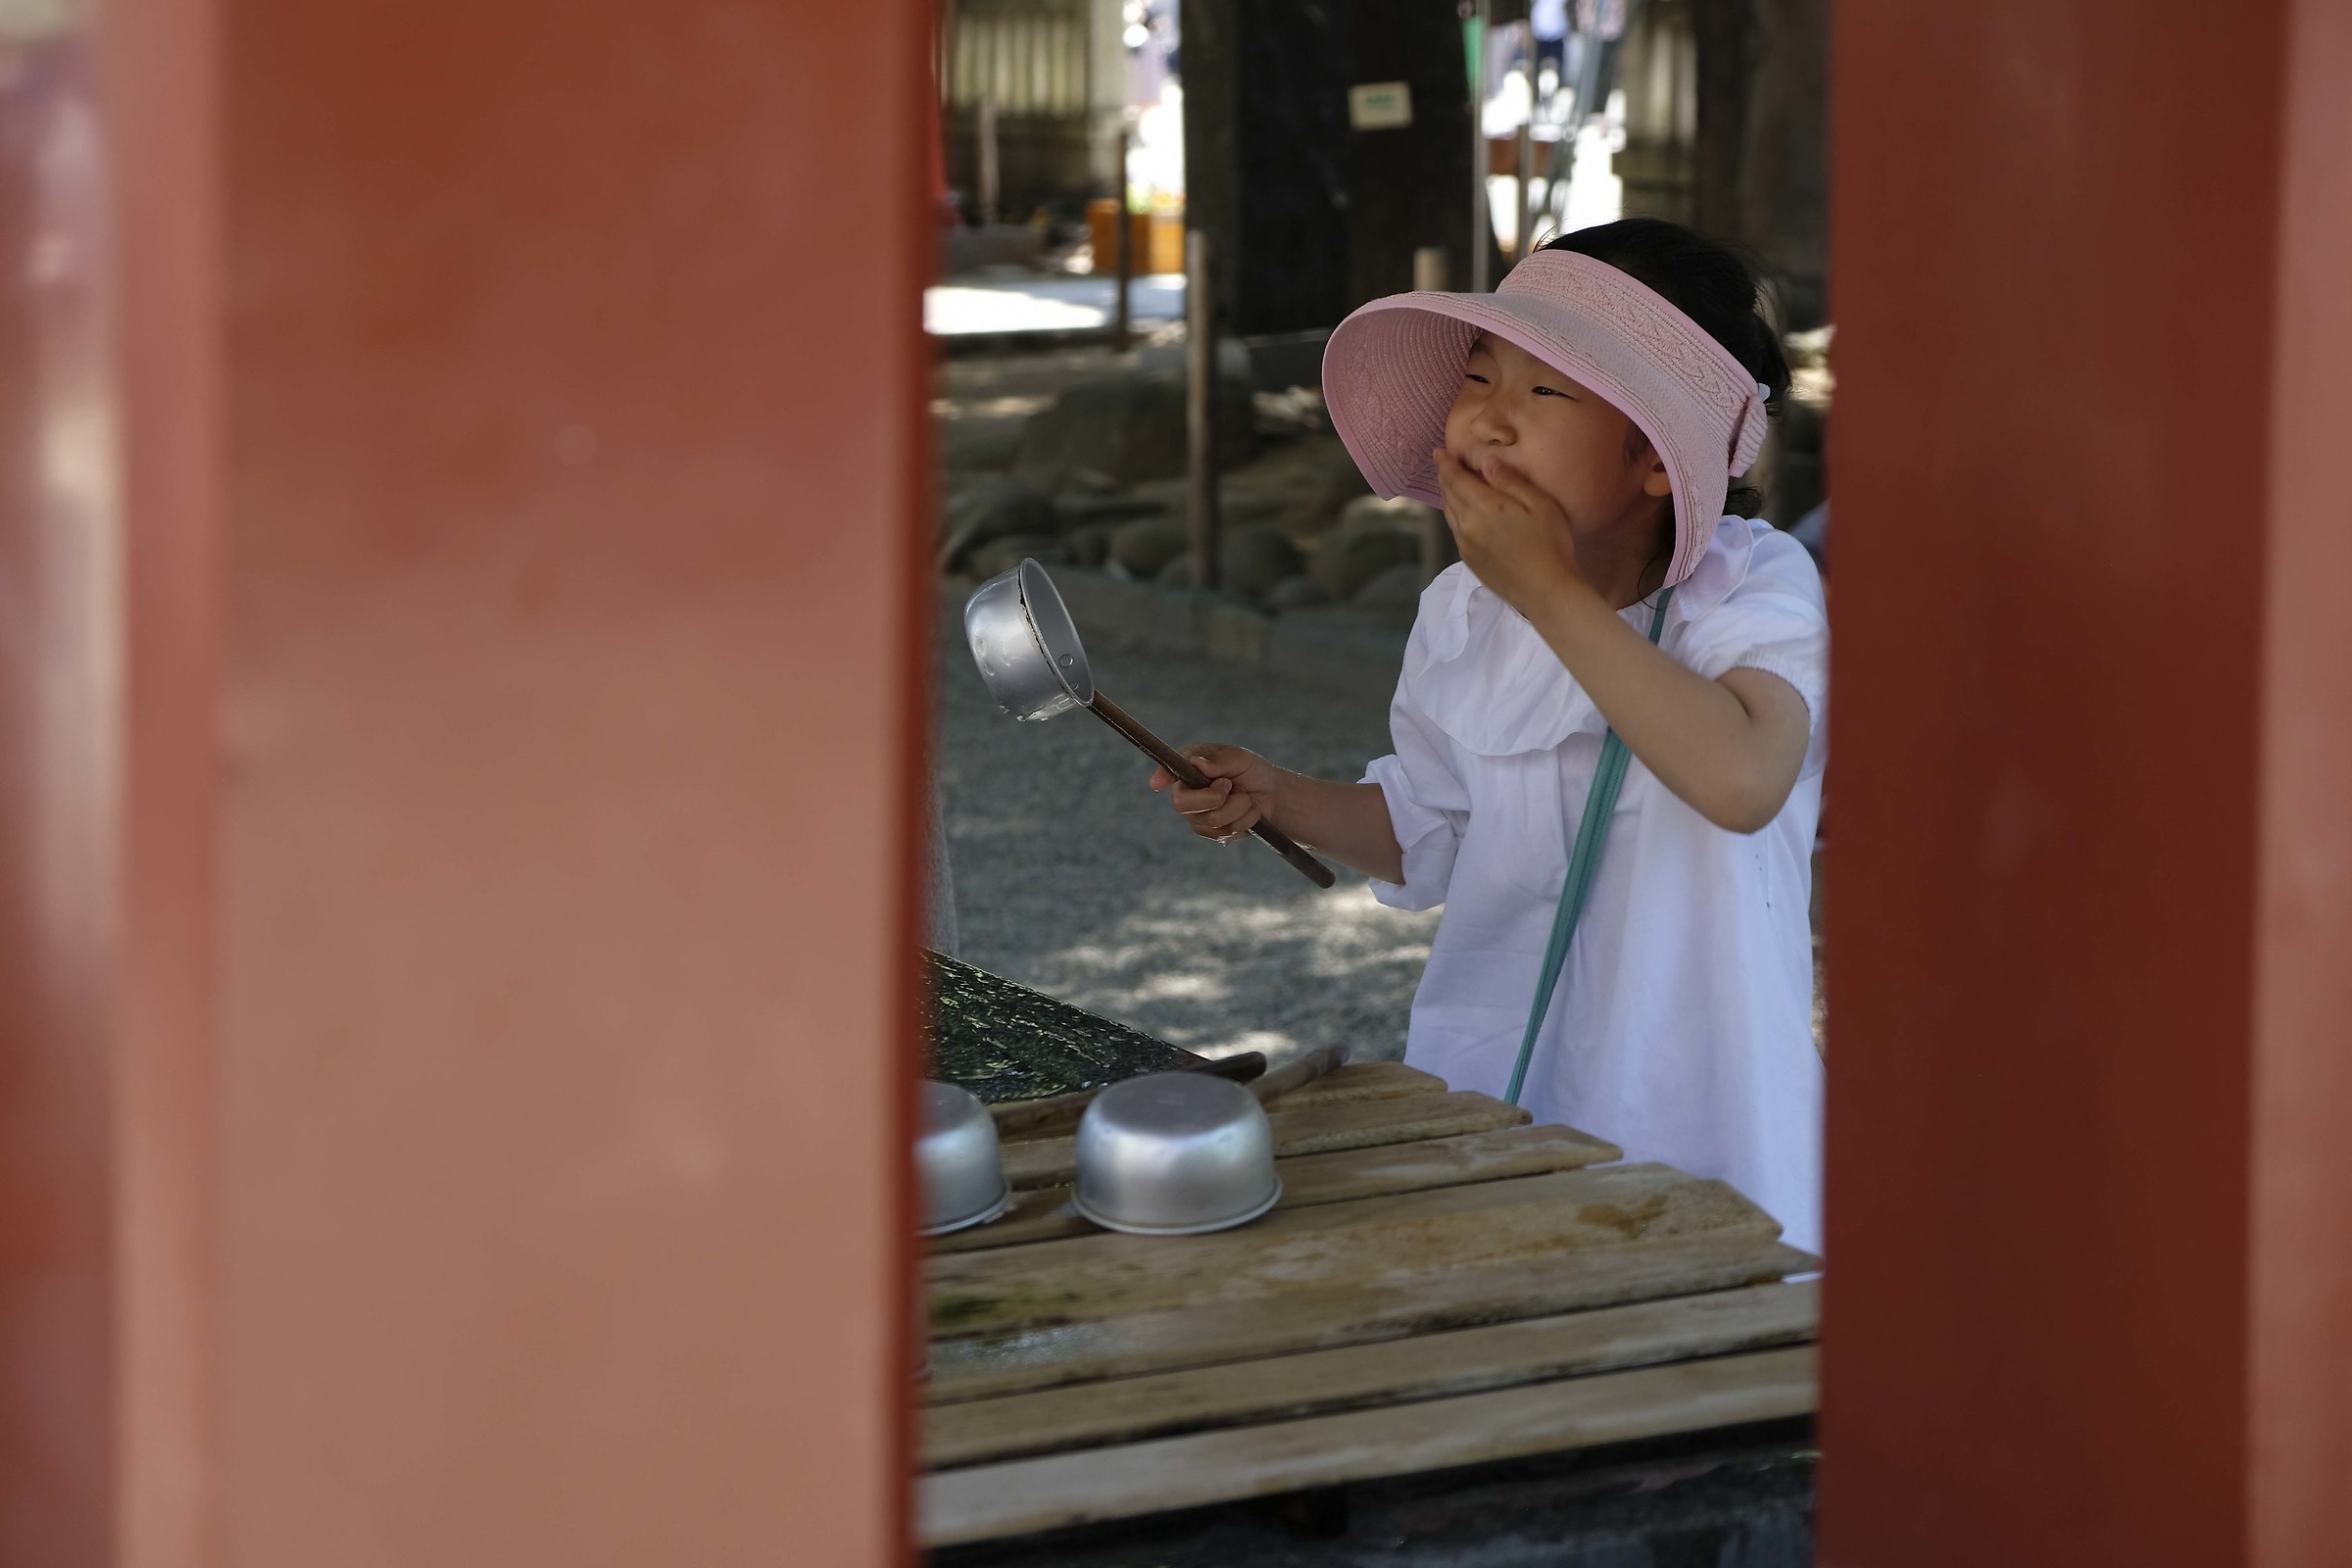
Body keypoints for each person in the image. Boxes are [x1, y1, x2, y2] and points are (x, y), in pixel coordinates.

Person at [1150, 220, 1826, 1254]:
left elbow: (1741, 778)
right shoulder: (1463, 611)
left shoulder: (1751, 590)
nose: (1490, 421)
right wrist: (1280, 794)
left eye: (1545, 391)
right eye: (1478, 375)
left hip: (1699, 1105)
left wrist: (1549, 589)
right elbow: (1433, 827)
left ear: (1657, 454)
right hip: (1498, 1090)